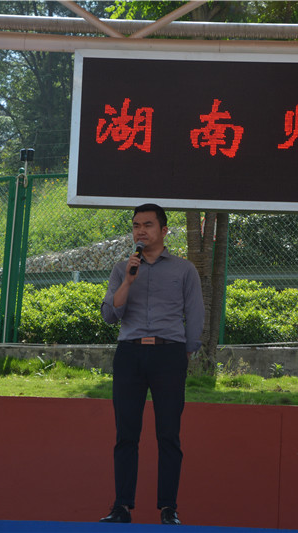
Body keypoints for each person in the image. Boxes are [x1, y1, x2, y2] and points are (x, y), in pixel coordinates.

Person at [99, 203, 204, 526]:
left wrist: (186, 351)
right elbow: (109, 315)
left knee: (168, 434)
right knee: (126, 433)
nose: (140, 231)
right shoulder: (122, 268)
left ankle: (168, 508)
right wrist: (128, 282)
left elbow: (195, 312)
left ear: (164, 230)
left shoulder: (184, 269)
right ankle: (122, 507)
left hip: (168, 354)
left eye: (147, 225)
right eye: (136, 226)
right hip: (129, 354)